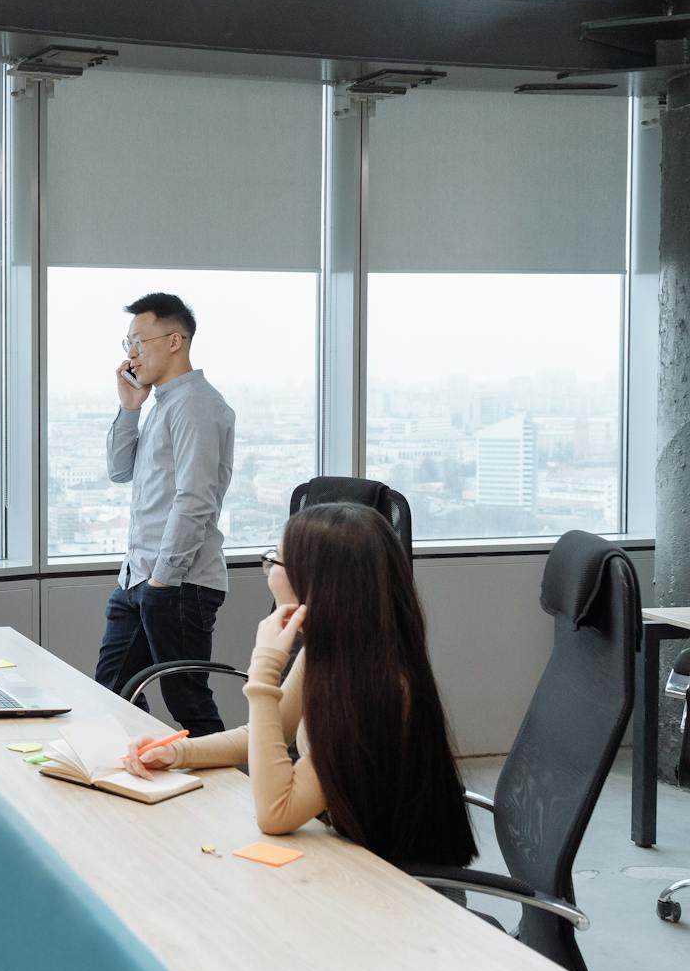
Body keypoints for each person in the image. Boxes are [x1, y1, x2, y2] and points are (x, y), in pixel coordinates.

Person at [123, 501, 478, 868]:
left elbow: (277, 812)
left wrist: (263, 671)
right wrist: (178, 754)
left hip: (400, 889)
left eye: (274, 561)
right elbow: (265, 733)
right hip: (348, 855)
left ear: (317, 582)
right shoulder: (338, 650)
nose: (268, 572)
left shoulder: (378, 688)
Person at [94, 292, 236, 735]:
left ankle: (231, 800)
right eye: (128, 345)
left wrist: (162, 580)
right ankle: (155, 775)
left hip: (177, 583)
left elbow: (195, 499)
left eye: (139, 342)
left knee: (186, 700)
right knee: (112, 689)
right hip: (138, 578)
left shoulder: (197, 405)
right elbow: (120, 471)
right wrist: (129, 408)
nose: (132, 354)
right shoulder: (162, 406)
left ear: (175, 341)